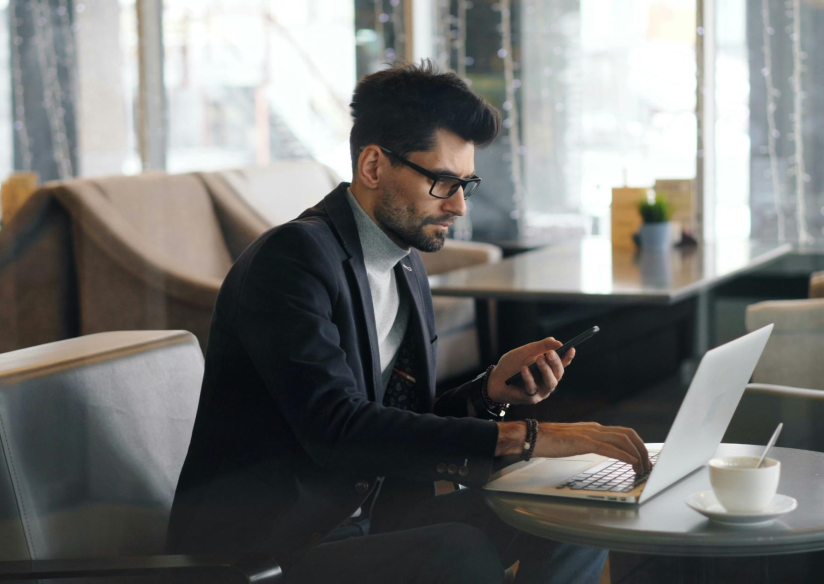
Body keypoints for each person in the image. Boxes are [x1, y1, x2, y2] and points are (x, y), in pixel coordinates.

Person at [167, 61, 651, 583]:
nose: (460, 206)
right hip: (266, 550)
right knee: (458, 552)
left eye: (467, 184)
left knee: (572, 514)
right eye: (443, 182)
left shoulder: (404, 262)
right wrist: (527, 438)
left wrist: (487, 394)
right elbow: (337, 430)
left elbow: (395, 419)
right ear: (373, 166)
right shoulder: (292, 259)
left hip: (365, 523)